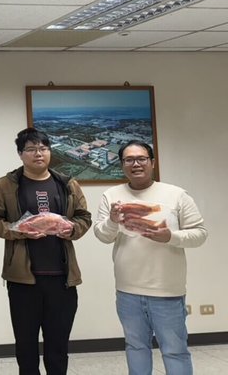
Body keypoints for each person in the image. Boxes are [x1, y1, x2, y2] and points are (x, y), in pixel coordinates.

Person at [93, 140, 207, 375]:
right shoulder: (111, 196)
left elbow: (199, 234)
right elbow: (102, 236)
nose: (136, 164)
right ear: (122, 164)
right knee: (136, 347)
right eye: (129, 160)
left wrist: (170, 237)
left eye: (141, 159)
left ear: (152, 162)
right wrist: (113, 220)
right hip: (128, 291)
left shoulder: (176, 194)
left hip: (167, 290)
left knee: (174, 350)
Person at [0, 127, 91, 375]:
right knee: (26, 346)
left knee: (58, 346)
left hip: (62, 279)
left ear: (50, 151)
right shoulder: (5, 185)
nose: (38, 154)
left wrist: (72, 229)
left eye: (43, 148)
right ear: (21, 154)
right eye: (31, 149)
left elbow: (84, 217)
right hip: (23, 280)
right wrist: (19, 230)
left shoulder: (66, 183)